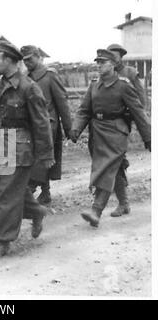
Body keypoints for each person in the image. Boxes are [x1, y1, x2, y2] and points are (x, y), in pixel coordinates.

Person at [0, 41, 54, 259]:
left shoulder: (29, 87)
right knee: (10, 188)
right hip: (1, 144)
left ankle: (2, 241)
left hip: (20, 147)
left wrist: (46, 154)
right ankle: (37, 211)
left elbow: (41, 123)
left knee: (6, 194)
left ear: (10, 60)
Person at [69, 49, 151, 228]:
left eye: (102, 62)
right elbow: (84, 110)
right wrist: (76, 128)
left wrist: (148, 137)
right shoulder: (94, 85)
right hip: (97, 132)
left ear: (113, 64)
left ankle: (96, 211)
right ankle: (124, 203)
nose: (98, 65)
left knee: (106, 169)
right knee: (114, 167)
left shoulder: (123, 85)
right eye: (97, 62)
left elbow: (138, 112)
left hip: (116, 132)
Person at [21, 45, 72, 205]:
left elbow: (62, 103)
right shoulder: (25, 77)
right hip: (30, 125)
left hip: (49, 126)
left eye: (30, 59)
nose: (27, 63)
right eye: (25, 60)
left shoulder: (50, 76)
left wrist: (68, 128)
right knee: (36, 158)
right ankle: (46, 192)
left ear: (38, 57)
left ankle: (30, 189)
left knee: (42, 158)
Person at [106, 43, 145, 218]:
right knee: (115, 161)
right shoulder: (106, 74)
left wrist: (132, 117)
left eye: (114, 56)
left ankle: (123, 203)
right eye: (109, 56)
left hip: (122, 123)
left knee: (115, 162)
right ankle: (123, 201)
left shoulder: (129, 73)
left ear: (121, 56)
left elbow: (141, 99)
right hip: (105, 126)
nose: (112, 59)